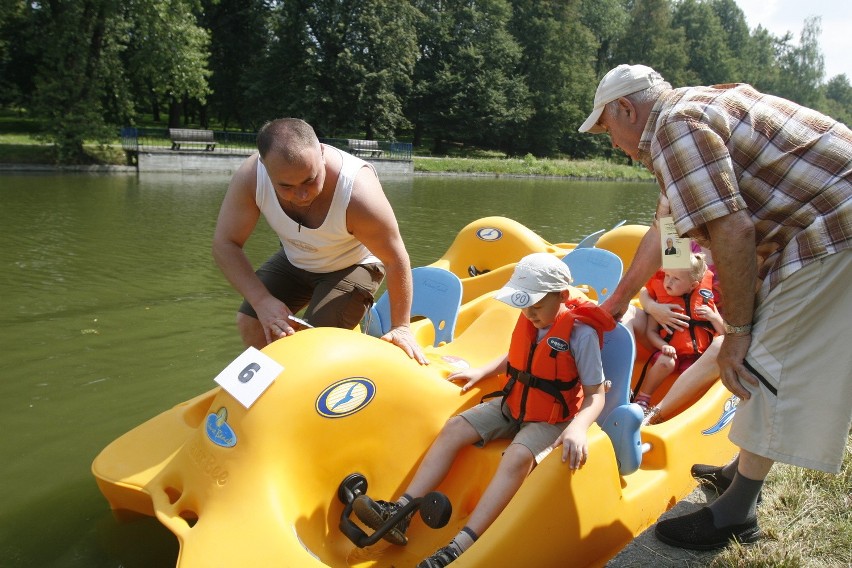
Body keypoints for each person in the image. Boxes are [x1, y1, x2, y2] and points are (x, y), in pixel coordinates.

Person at [579, 63, 851, 550]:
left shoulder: (676, 128)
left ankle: (734, 514)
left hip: (834, 225)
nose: (611, 142)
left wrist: (738, 332)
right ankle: (738, 471)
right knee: (759, 349)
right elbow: (668, 237)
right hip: (820, 221)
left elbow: (734, 230)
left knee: (768, 361)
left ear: (626, 108)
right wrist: (618, 302)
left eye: (607, 128)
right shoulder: (684, 120)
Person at [351, 253, 614, 567]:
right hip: (512, 404)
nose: (530, 313)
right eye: (524, 304)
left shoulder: (579, 334)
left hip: (553, 417)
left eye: (537, 305)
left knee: (517, 456)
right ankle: (401, 512)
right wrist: (483, 372)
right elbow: (517, 355)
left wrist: (578, 427)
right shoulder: (531, 319)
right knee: (454, 427)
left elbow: (596, 394)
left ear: (561, 296)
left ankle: (460, 546)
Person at [212, 118, 427, 364]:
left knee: (314, 340)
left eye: (309, 180)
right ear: (264, 166)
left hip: (354, 263)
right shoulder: (252, 177)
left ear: (322, 153)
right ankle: (274, 387)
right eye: (286, 186)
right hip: (296, 257)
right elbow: (225, 244)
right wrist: (261, 301)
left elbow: (396, 258)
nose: (301, 195)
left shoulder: (358, 193)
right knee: (252, 322)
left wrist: (401, 327)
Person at [634, 254, 724, 415]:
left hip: (697, 355)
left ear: (693, 285)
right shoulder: (663, 304)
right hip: (670, 351)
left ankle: (680, 409)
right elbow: (650, 332)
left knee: (692, 372)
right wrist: (664, 346)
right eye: (667, 275)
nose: (668, 281)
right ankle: (642, 398)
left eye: (676, 279)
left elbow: (723, 332)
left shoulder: (705, 302)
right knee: (665, 362)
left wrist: (713, 317)